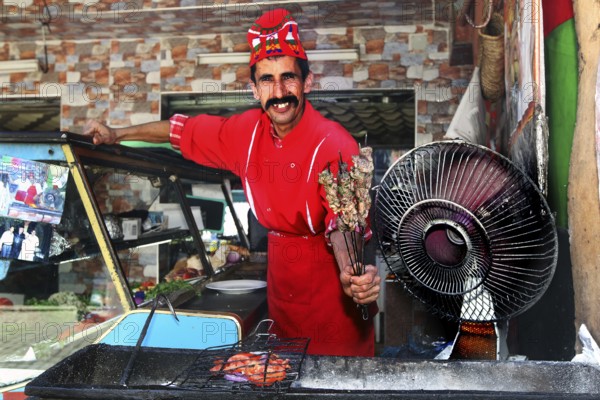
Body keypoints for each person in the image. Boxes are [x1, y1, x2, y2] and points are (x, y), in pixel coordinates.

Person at [84, 8, 381, 357]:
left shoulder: (335, 142)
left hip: (331, 297)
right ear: (254, 89)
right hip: (281, 289)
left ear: (308, 83)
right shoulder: (245, 132)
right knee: (283, 376)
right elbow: (179, 131)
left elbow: (344, 223)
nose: (280, 91)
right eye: (267, 80)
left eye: (289, 78)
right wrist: (118, 134)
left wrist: (351, 273)